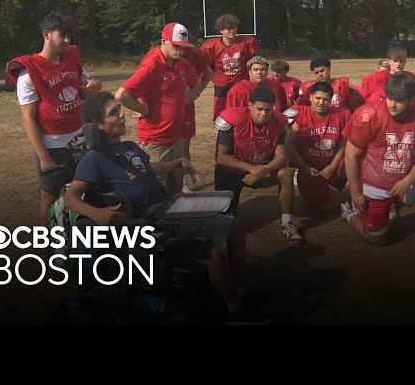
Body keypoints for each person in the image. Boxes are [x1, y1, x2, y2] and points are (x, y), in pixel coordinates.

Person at [64, 91, 273, 324]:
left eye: (119, 109)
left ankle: (240, 290)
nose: (122, 114)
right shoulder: (93, 158)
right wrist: (96, 213)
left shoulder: (129, 147)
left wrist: (178, 162)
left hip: (168, 208)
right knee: (212, 252)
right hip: (152, 221)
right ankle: (234, 311)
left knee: (236, 226)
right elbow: (71, 196)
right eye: (114, 112)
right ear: (98, 125)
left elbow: (148, 167)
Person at [340, 72, 415, 263]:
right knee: (377, 238)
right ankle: (350, 214)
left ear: (413, 99)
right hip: (375, 182)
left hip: (406, 179)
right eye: (389, 98)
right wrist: (355, 192)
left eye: (399, 100)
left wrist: (407, 180)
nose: (392, 104)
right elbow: (350, 154)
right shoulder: (367, 113)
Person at [8, 11, 102, 227]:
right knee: (50, 196)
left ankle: (77, 238)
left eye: (70, 36)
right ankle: (45, 242)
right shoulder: (28, 72)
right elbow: (28, 119)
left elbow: (89, 84)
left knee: (84, 191)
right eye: (63, 35)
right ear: (47, 34)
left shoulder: (71, 57)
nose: (68, 41)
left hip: (80, 138)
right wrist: (44, 156)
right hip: (52, 144)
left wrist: (95, 85)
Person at [115, 22, 200, 196]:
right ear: (163, 42)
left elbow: (196, 82)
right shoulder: (152, 65)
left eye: (184, 47)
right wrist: (144, 110)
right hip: (155, 140)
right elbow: (121, 94)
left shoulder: (181, 63)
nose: (181, 51)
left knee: (175, 188)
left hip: (177, 136)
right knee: (156, 189)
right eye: (176, 46)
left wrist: (185, 100)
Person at [214, 87, 303, 245]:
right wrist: (251, 168)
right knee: (232, 224)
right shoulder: (234, 119)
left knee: (286, 173)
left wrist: (260, 171)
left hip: (261, 167)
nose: (263, 114)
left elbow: (282, 156)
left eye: (268, 110)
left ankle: (286, 223)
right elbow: (221, 158)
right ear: (250, 106)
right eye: (259, 109)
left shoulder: (278, 121)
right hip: (232, 170)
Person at [284, 81, 351, 210]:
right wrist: (304, 167)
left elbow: (344, 142)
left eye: (326, 99)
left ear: (331, 100)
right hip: (309, 165)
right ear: (310, 97)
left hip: (334, 162)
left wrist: (333, 165)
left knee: (356, 162)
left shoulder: (341, 114)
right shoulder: (299, 112)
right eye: (318, 98)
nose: (321, 102)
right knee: (315, 207)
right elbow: (289, 144)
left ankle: (362, 199)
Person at [201, 14, 260, 121]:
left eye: (234, 28)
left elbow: (255, 64)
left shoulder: (247, 43)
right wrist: (216, 80)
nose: (232, 31)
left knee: (245, 115)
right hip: (222, 86)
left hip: (242, 85)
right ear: (221, 30)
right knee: (222, 118)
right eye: (228, 28)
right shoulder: (211, 46)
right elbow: (205, 67)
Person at [180, 39, 213, 193]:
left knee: (184, 145)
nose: (182, 50)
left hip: (185, 106)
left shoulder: (194, 53)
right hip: (165, 108)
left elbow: (208, 73)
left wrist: (196, 93)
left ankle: (184, 181)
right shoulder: (157, 56)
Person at [296, 57, 362, 112]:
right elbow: (300, 109)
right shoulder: (309, 88)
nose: (320, 74)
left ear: (329, 69)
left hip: (341, 120)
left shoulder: (342, 84)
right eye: (316, 73)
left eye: (322, 71)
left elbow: (354, 106)